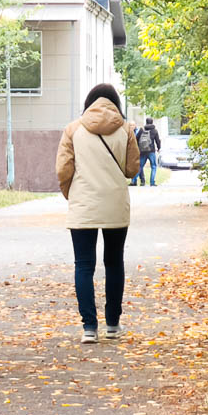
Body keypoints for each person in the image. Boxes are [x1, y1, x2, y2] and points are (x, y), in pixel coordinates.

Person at [55, 84, 141, 344]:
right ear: (115, 104)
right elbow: (131, 168)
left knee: (84, 265)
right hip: (115, 203)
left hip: (84, 205)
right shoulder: (126, 130)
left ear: (88, 103)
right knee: (114, 263)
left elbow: (63, 170)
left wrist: (72, 194)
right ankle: (113, 324)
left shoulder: (72, 130)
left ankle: (89, 327)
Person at [131, 117, 161, 187]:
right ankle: (152, 182)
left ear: (146, 122)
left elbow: (136, 139)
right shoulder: (155, 131)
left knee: (140, 166)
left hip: (142, 151)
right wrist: (159, 148)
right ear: (152, 122)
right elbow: (157, 141)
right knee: (153, 166)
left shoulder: (142, 130)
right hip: (151, 151)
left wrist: (139, 148)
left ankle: (133, 181)